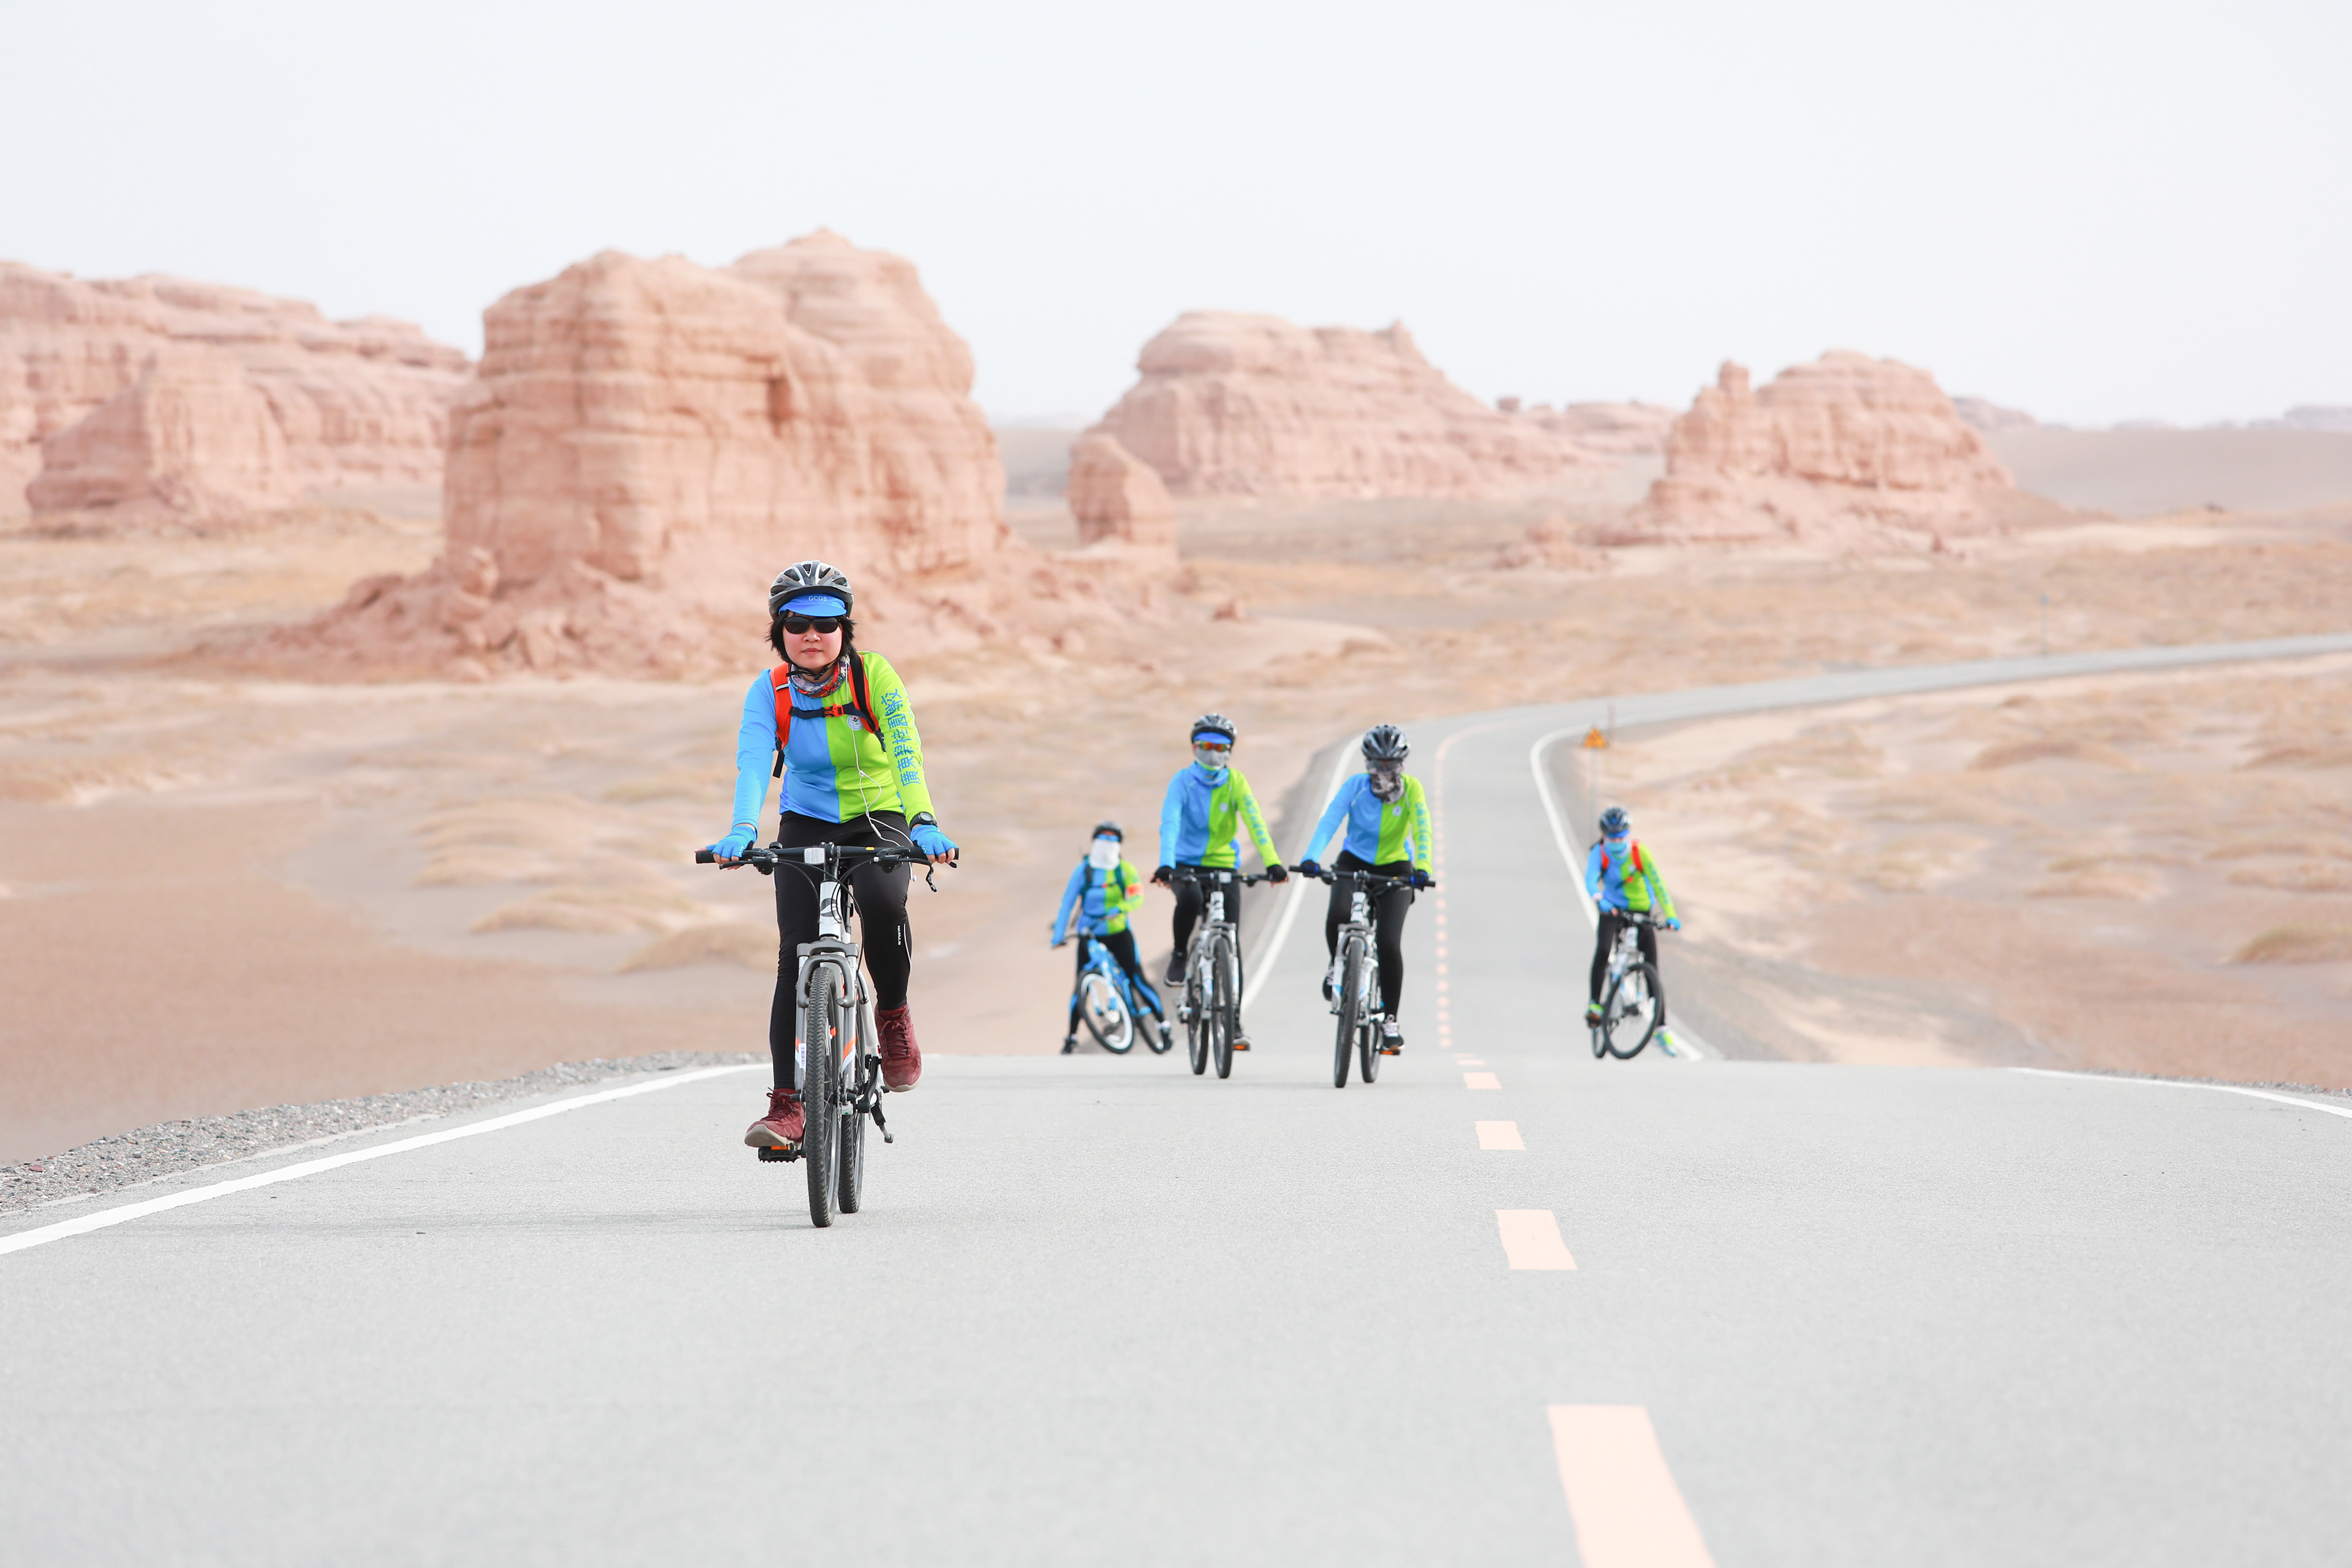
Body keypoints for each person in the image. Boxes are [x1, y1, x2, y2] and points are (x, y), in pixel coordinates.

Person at [707, 560, 958, 1151]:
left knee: (881, 902)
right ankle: (787, 1105)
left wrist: (922, 821)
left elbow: (905, 753)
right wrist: (743, 829)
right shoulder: (769, 690)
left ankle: (892, 1018)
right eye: (797, 623)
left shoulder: (876, 679)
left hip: (881, 815)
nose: (812, 634)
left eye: (826, 623)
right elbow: (751, 760)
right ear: (780, 632)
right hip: (807, 817)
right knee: (795, 952)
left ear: (846, 629)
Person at [1295, 725, 1433, 1054]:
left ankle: (1390, 1020)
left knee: (1388, 942)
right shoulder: (1355, 787)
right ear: (1367, 762)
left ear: (1402, 763)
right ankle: (1336, 964)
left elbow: (1422, 828)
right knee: (1339, 914)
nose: (1383, 771)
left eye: (1391, 764)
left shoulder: (1413, 789)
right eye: (1377, 764)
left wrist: (1423, 866)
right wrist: (1312, 857)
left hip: (1397, 868)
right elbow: (1330, 819)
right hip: (1354, 862)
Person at [1152, 712, 1286, 1047]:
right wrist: (1166, 865)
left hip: (1225, 865)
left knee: (1232, 942)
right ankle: (1181, 954)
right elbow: (1170, 822)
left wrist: (1272, 863)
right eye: (1206, 745)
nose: (1213, 752)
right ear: (1194, 748)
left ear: (1230, 752)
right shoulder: (1181, 781)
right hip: (1184, 864)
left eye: (1221, 747)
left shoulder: (1236, 782)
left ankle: (1235, 1021)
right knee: (1192, 900)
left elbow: (1255, 822)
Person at [1050, 821, 1159, 1052]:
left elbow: (1137, 896)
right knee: (1081, 985)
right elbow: (1068, 902)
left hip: (1119, 932)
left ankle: (1163, 1023)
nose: (1107, 844)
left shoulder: (1125, 869)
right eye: (1103, 838)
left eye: (1113, 839)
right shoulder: (1084, 870)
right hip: (1088, 934)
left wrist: (1122, 907)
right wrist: (1059, 935)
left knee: (1136, 977)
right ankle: (1071, 1037)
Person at [1585, 805, 1679, 1049]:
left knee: (1652, 969)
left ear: (1628, 833)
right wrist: (1599, 899)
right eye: (1612, 837)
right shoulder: (1599, 852)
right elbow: (1590, 880)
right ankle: (1595, 1004)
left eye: (1621, 836)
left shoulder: (1640, 852)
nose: (1617, 841)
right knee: (1604, 950)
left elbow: (1659, 884)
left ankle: (1661, 1028)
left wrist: (1671, 916)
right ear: (1604, 835)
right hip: (1613, 909)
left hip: (1642, 910)